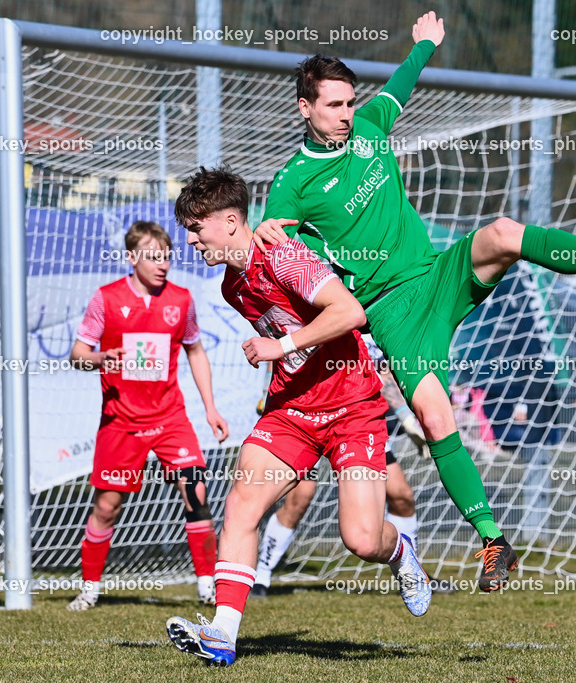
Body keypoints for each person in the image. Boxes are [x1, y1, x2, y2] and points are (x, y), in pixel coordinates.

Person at [254, 10, 576, 591]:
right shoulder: (292, 182)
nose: (346, 114)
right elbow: (275, 245)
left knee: (503, 232)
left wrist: (423, 46)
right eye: (333, 105)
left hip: (436, 274)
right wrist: (265, 229)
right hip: (392, 313)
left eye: (349, 102)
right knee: (435, 417)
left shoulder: (369, 126)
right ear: (305, 108)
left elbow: (399, 87)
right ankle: (493, 540)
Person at [166, 168, 432, 667]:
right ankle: (223, 634)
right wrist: (284, 355)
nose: (191, 240)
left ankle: (401, 552)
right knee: (241, 504)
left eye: (197, 228)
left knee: (361, 539)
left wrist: (280, 346)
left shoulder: (282, 254)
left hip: (352, 406)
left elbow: (350, 312)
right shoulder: (232, 285)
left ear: (230, 222)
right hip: (292, 411)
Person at [66, 221, 229, 611]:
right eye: (153, 257)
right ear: (131, 258)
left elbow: (195, 351)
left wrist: (210, 408)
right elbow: (77, 355)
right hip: (121, 421)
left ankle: (208, 587)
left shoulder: (181, 300)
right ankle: (89, 590)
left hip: (170, 418)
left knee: (196, 492)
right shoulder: (106, 299)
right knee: (107, 507)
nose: (163, 264)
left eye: (167, 257)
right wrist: (99, 359)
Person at [251, 339, 457, 597]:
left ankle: (412, 575)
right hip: (305, 417)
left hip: (354, 424)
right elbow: (280, 350)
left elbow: (381, 372)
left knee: (401, 495)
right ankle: (261, 577)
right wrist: (267, 393)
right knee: (299, 499)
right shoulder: (321, 318)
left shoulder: (373, 324)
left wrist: (407, 420)